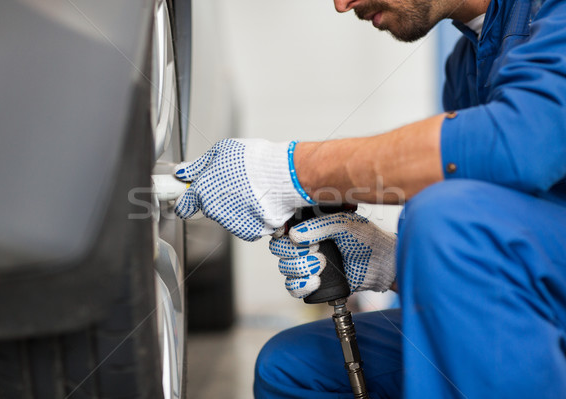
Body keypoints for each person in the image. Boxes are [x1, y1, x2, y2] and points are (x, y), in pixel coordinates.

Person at [174, 0, 566, 396]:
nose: (342, 5)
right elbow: (507, 245)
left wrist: (287, 170)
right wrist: (389, 262)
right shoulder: (466, 65)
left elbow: (525, 140)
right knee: (292, 368)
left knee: (443, 218)